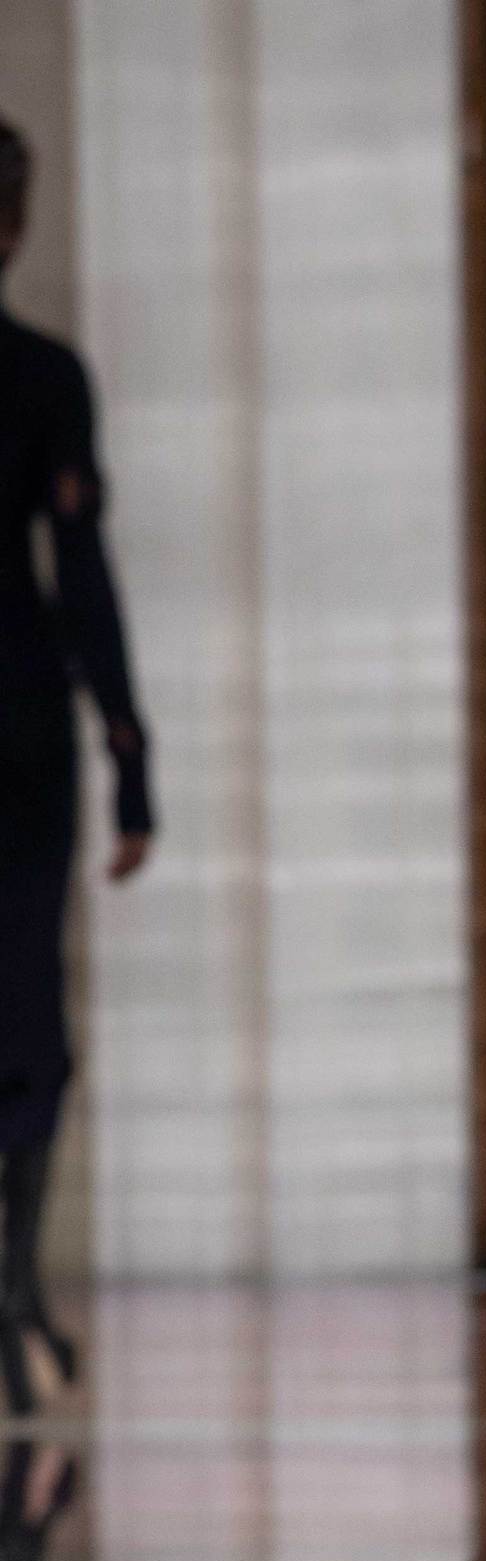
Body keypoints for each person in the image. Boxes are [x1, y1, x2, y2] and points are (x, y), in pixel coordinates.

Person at [0, 118, 154, 1418]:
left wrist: (128, 748)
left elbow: (85, 571)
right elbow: (83, 577)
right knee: (28, 1029)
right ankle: (11, 1295)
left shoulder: (47, 380)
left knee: (29, 1029)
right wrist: (129, 748)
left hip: (23, 737)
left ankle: (12, 1294)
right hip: (23, 728)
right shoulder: (43, 378)